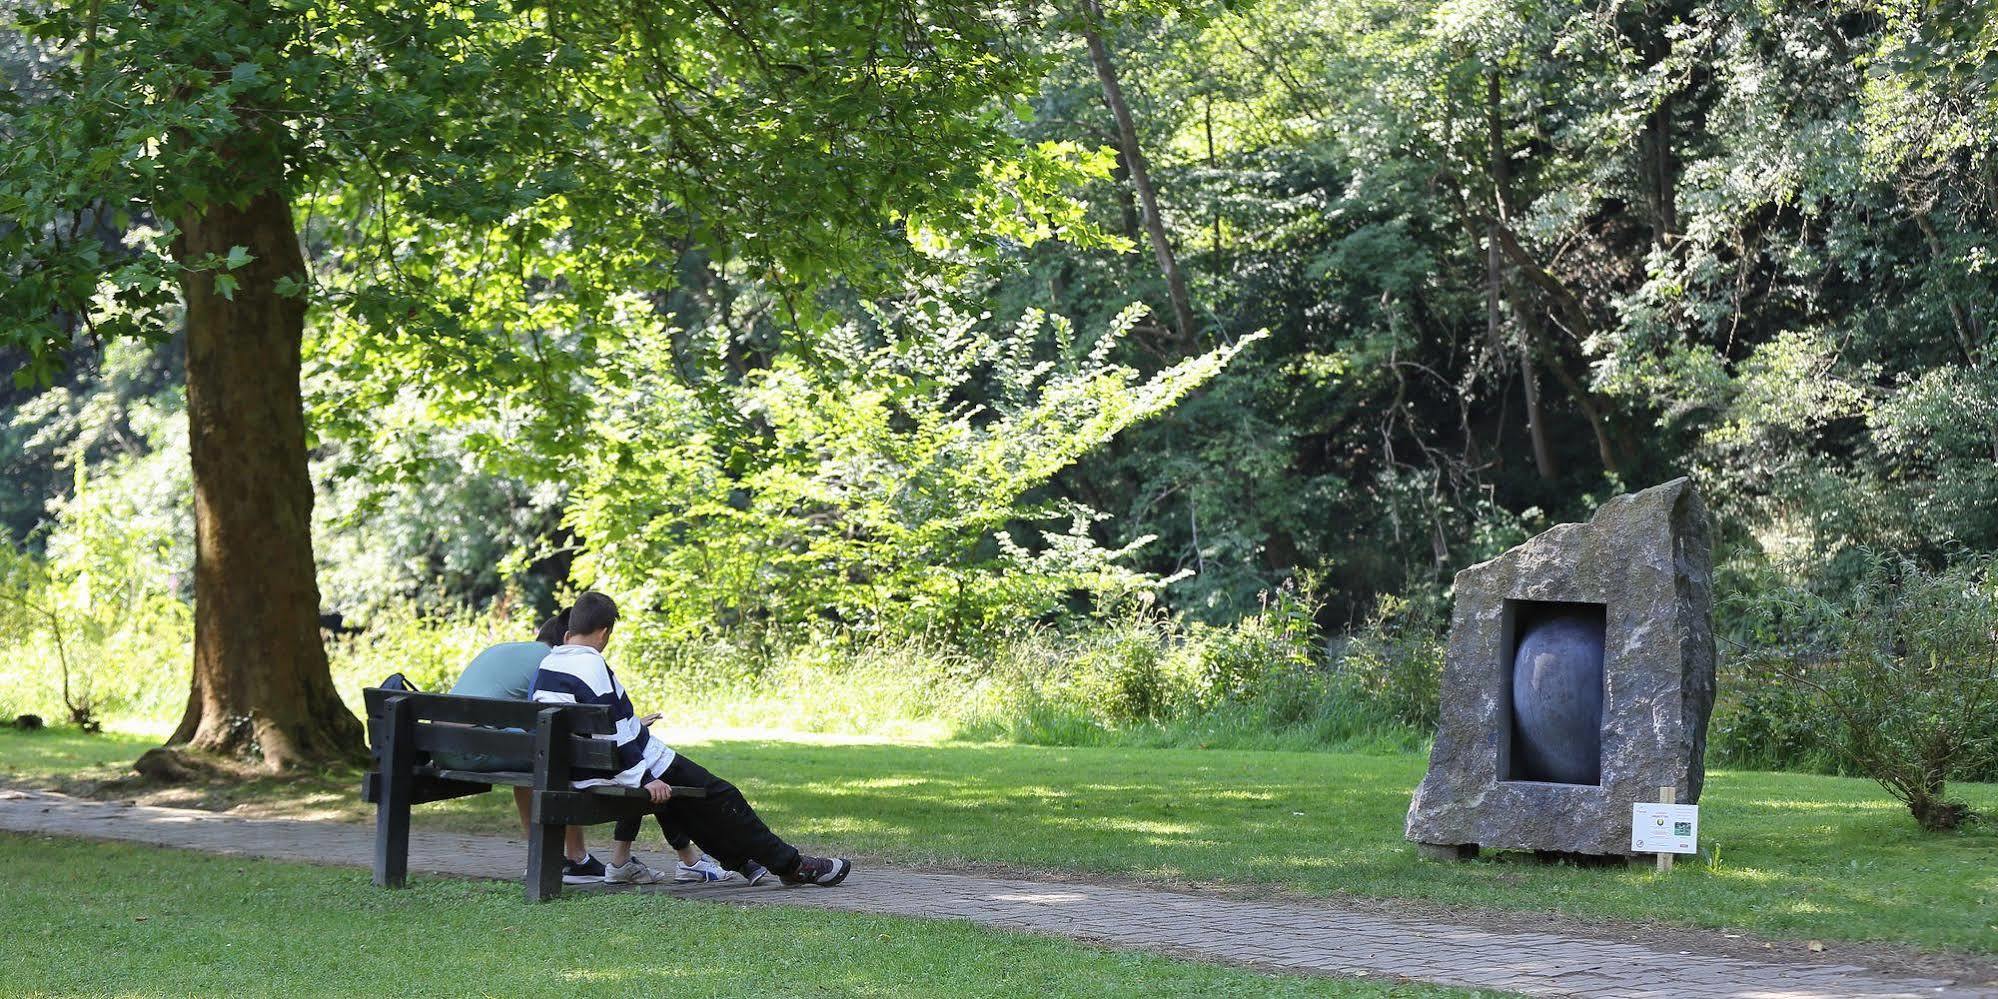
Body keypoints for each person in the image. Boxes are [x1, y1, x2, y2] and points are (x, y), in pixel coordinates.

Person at [532, 591, 852, 887]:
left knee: (685, 803)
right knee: (723, 796)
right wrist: (643, 778)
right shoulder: (592, 662)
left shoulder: (550, 662)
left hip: (577, 770)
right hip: (622, 767)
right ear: (603, 632)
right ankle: (794, 865)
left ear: (569, 631)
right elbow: (614, 728)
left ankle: (747, 862)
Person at [438, 609, 744, 885]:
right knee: (569, 758)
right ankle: (575, 858)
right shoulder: (550, 661)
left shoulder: (505, 650)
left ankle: (548, 856)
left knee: (554, 754)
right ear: (566, 640)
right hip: (477, 750)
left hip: (444, 744)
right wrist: (627, 730)